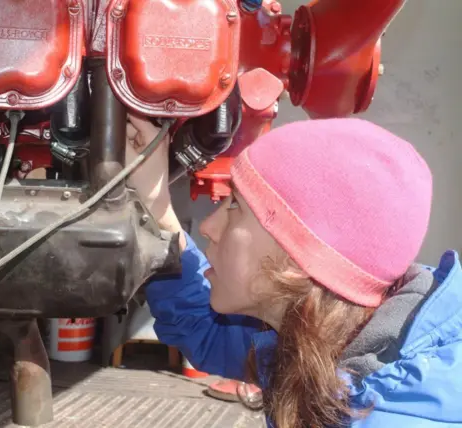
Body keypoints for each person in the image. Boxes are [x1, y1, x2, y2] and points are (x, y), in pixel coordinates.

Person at [125, 114, 462, 428]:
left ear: (298, 260)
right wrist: (156, 202)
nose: (209, 227)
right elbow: (204, 327)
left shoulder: (388, 416)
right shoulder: (314, 333)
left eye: (235, 207)